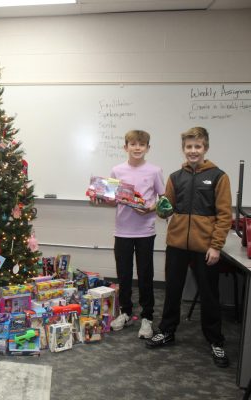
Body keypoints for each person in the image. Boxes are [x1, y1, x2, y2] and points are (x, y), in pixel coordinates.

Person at [146, 127, 232, 368]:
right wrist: (160, 208)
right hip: (176, 244)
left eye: (198, 146)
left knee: (209, 295)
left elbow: (224, 215)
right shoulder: (175, 177)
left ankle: (215, 341)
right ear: (183, 149)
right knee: (172, 290)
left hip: (205, 247)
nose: (193, 151)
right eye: (188, 147)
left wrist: (216, 246)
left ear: (205, 148)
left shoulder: (218, 176)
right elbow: (167, 209)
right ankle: (167, 330)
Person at [91, 130, 165, 339]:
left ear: (148, 148)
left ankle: (147, 317)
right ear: (126, 147)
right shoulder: (117, 170)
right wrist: (100, 196)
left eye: (142, 144)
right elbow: (114, 198)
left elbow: (164, 199)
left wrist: (150, 208)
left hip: (145, 232)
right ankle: (125, 312)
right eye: (133, 144)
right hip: (122, 230)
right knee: (123, 275)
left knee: (145, 276)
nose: (137, 148)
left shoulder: (154, 171)